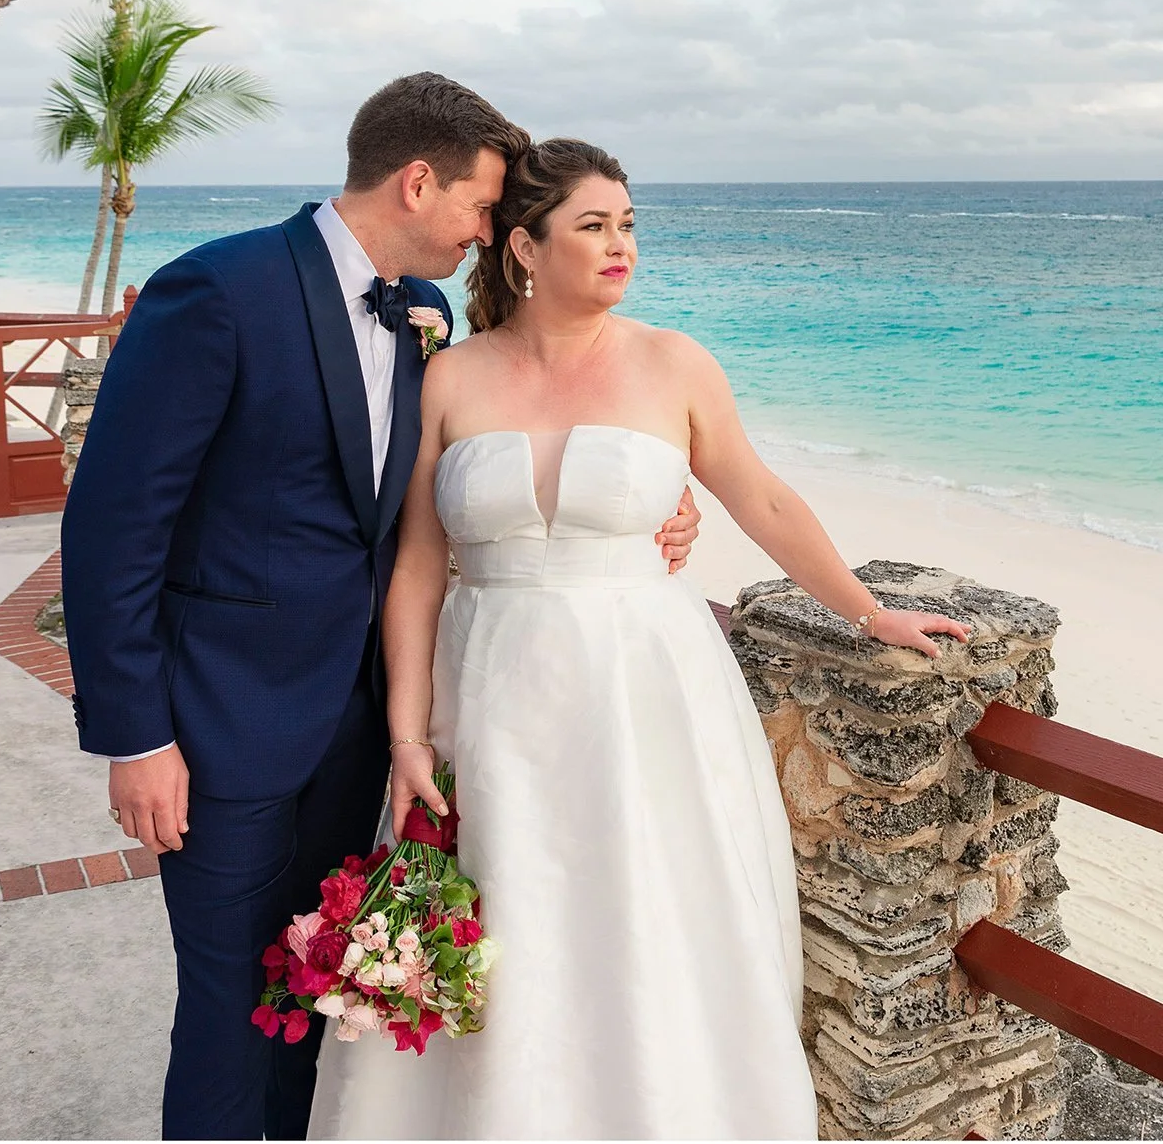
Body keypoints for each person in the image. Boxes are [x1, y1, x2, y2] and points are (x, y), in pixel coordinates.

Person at [60, 77, 705, 1139]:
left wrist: (653, 501)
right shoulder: (216, 291)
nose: (489, 231)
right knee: (224, 1007)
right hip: (221, 725)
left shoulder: (428, 315)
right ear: (417, 181)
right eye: (483, 207)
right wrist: (136, 735)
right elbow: (112, 528)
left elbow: (460, 486)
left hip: (363, 728)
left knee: (316, 993)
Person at [310, 138, 970, 1139]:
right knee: (507, 918)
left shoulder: (673, 362)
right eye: (592, 225)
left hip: (644, 688)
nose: (621, 245)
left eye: (626, 224)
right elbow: (414, 564)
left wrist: (867, 611)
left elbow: (763, 498)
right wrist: (409, 732)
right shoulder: (449, 377)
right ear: (524, 248)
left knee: (645, 915)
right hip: (485, 690)